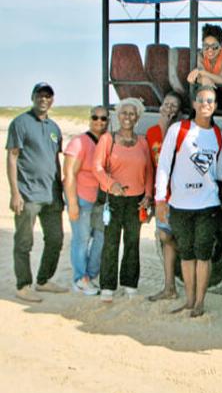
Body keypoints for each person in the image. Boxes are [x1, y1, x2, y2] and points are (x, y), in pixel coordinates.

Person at [155, 86, 222, 317]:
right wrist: (160, 198)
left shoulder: (218, 136)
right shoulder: (179, 130)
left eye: (211, 101)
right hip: (180, 204)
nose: (206, 104)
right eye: (202, 100)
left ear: (215, 106)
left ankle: (199, 303)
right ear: (194, 104)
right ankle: (188, 300)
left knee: (203, 253)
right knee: (186, 253)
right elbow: (164, 164)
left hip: (207, 205)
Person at [6, 82, 67, 302]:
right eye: (40, 95)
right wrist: (15, 193)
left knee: (56, 239)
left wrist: (61, 191)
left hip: (51, 194)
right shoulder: (20, 123)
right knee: (24, 241)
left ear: (52, 100)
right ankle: (23, 285)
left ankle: (43, 280)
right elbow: (12, 157)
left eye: (48, 96)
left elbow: (56, 161)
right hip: (28, 194)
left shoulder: (54, 128)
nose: (43, 99)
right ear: (33, 97)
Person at [93, 97, 154, 303]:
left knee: (132, 242)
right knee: (110, 243)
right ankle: (107, 287)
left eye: (131, 113)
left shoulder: (143, 142)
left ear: (137, 117)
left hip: (136, 201)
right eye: (123, 113)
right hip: (114, 199)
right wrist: (111, 184)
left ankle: (130, 284)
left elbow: (148, 171)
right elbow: (97, 167)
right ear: (117, 116)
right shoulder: (107, 140)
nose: (127, 117)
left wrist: (147, 195)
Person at [63, 105, 110, 296]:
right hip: (82, 198)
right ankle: (80, 278)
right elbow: (69, 173)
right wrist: (72, 202)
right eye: (95, 117)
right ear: (89, 119)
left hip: (100, 201)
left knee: (101, 238)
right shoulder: (79, 142)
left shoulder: (107, 142)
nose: (99, 121)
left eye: (103, 118)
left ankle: (90, 276)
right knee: (81, 239)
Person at [145, 92, 184, 302]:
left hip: (179, 195)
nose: (169, 108)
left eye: (174, 106)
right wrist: (150, 195)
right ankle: (169, 287)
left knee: (174, 238)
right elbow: (150, 164)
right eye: (167, 104)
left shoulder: (178, 132)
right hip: (163, 195)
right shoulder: (151, 133)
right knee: (165, 237)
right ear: (161, 106)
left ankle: (173, 287)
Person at [187, 24, 222, 95]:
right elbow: (198, 77)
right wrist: (205, 79)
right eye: (206, 46)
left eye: (214, 46)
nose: (210, 50)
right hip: (205, 90)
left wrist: (202, 72)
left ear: (221, 45)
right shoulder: (200, 55)